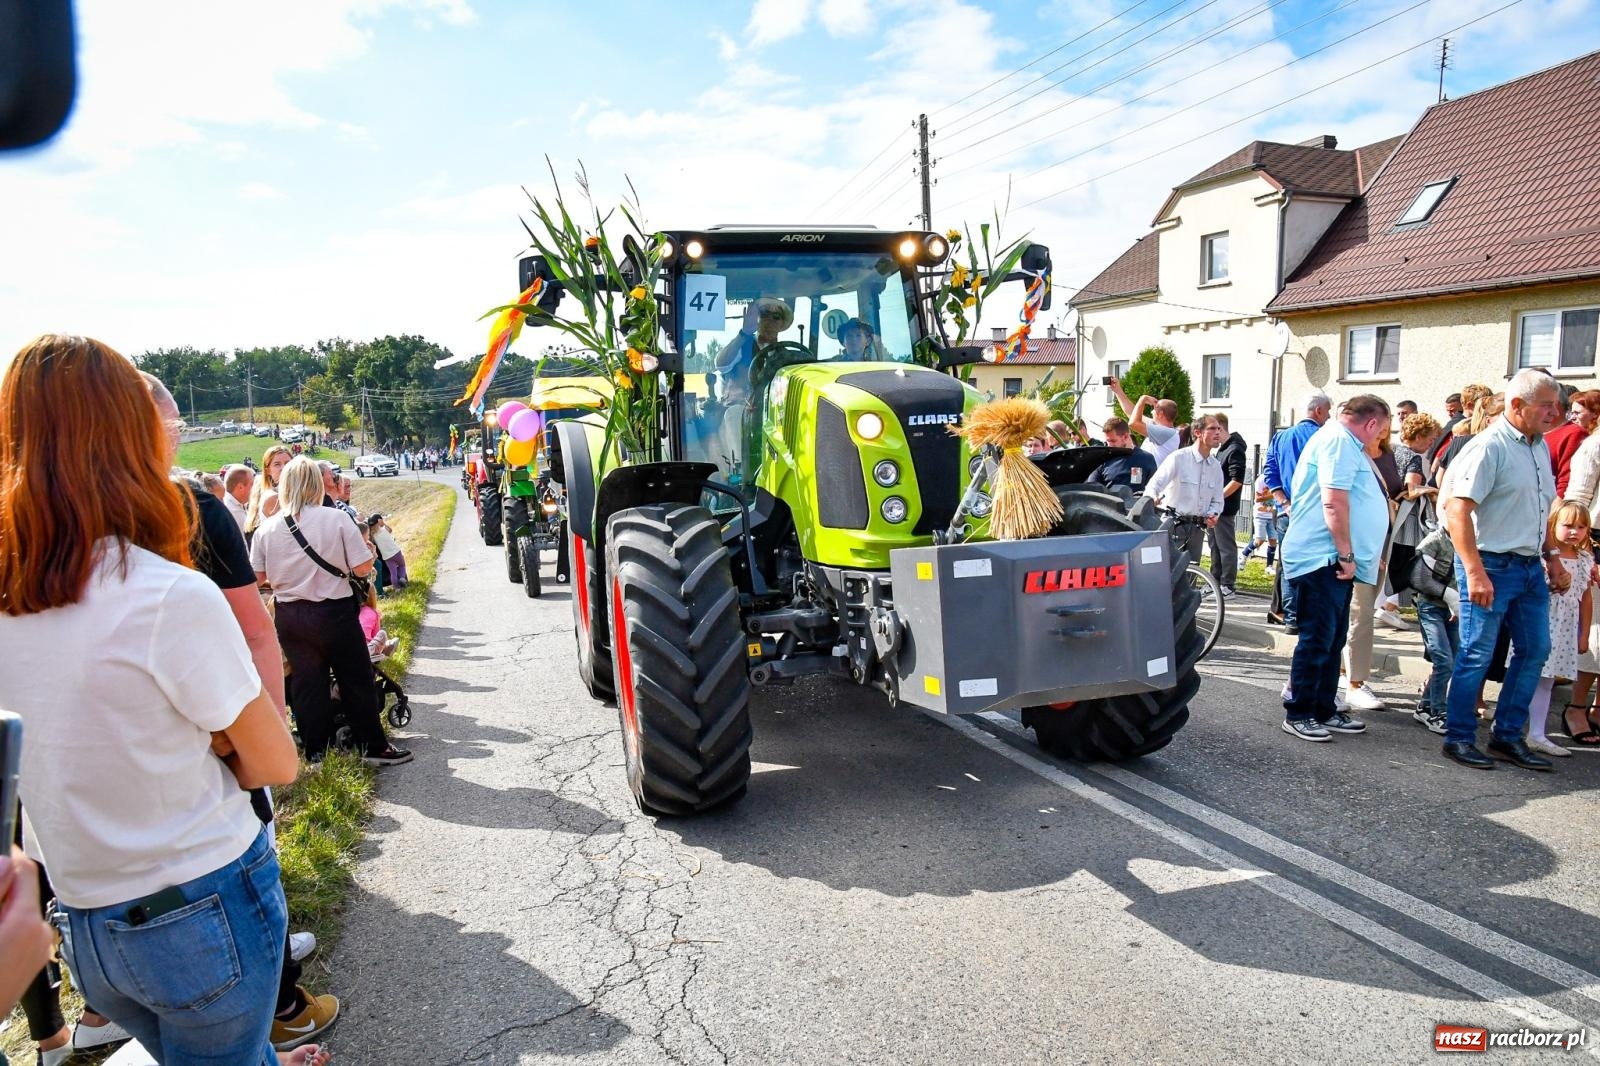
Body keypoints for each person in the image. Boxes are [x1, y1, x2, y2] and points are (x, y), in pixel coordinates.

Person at [0, 334, 300, 1063]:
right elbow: (274, 762)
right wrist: (218, 740)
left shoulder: (11, 598)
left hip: (86, 924)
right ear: (133, 438)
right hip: (197, 907)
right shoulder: (164, 595)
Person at [1439, 368, 1564, 771]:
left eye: (1555, 404)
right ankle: (1458, 738)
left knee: (1535, 650)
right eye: (1546, 405)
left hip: (1528, 567)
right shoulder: (1489, 447)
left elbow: (1542, 507)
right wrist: (1474, 572)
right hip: (1491, 563)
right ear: (1516, 405)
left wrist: (1552, 555)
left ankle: (1506, 737)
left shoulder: (1538, 445)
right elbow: (1457, 511)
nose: (1555, 412)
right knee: (1477, 653)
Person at [251, 456, 411, 766]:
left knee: (307, 684)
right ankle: (372, 746)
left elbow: (257, 578)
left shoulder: (266, 529)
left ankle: (316, 752)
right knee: (356, 678)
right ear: (316, 484)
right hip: (333, 612)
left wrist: (289, 578)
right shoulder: (336, 519)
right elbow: (363, 568)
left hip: (290, 614)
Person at [1278, 395, 1393, 742]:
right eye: (1382, 430)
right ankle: (1299, 712)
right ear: (1371, 423)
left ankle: (1323, 708)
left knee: (1332, 639)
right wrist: (1345, 553)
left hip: (1332, 557)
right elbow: (1334, 500)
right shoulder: (1340, 442)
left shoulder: (1340, 441)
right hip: (1322, 557)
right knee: (1317, 639)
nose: (1380, 438)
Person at [1523, 501, 1592, 757]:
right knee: (1525, 675)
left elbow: (1585, 598)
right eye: (1568, 525)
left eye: (1581, 527)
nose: (1575, 531)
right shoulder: (1541, 557)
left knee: (1547, 681)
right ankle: (1507, 725)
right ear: (1553, 525)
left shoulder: (1585, 559)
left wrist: (1583, 634)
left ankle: (1537, 733)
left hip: (1564, 628)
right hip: (1540, 620)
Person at [1263, 391, 1334, 630]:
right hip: (1315, 513)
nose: (1329, 416)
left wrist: (1283, 503)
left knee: (1289, 562)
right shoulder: (1325, 437)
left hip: (1286, 511)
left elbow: (1270, 473)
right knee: (1317, 565)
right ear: (1319, 411)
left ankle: (1292, 619)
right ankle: (1310, 618)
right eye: (1328, 411)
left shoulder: (1281, 438)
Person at [1142, 415, 1225, 567]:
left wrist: (1214, 513)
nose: (1218, 432)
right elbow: (1155, 483)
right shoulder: (1179, 458)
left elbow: (1218, 500)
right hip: (1174, 525)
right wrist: (1152, 498)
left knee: (1191, 577)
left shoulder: (1215, 466)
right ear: (1198, 433)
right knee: (1169, 574)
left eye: (1219, 428)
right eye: (1212, 428)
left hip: (1197, 529)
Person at [1409, 519, 1460, 736]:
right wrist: (1450, 597)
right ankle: (1438, 712)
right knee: (1444, 660)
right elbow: (1419, 577)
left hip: (1454, 612)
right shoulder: (1434, 541)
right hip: (1430, 607)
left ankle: (1425, 706)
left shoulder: (1469, 540)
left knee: (1451, 661)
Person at [715, 297, 793, 405]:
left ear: (782, 324)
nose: (770, 321)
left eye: (776, 317)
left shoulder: (787, 357)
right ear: (757, 319)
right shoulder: (742, 344)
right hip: (738, 410)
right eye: (765, 315)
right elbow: (721, 365)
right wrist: (744, 333)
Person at [1211, 413, 1247, 596]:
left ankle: (1228, 585)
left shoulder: (1234, 449)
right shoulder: (1222, 448)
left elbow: (1236, 480)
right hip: (1215, 506)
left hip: (1224, 507)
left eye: (1213, 429)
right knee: (1214, 546)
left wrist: (1218, 498)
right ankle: (1215, 582)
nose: (1211, 434)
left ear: (1220, 428)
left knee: (1225, 547)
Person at [1108, 378, 1180, 463]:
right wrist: (1117, 390)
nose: (1152, 411)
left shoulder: (1167, 433)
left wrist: (1143, 399)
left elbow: (1133, 423)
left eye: (1154, 408)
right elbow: (1131, 413)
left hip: (1153, 476)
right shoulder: (1158, 427)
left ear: (1160, 413)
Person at [1544, 388, 1600, 495]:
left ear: (1595, 413)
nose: (1572, 418)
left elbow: (1578, 487)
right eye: (1571, 413)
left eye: (1577, 413)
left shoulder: (1589, 440)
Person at [1086, 417, 1158, 495]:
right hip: (1108, 505)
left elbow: (1155, 488)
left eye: (1113, 441)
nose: (1109, 445)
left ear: (1125, 437)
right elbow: (1092, 488)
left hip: (1137, 505)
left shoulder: (1147, 459)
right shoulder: (1103, 460)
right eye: (1107, 441)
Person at [246, 445, 293, 545]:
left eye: (287, 463)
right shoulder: (273, 497)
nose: (283, 468)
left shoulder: (287, 494)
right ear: (268, 470)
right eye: (277, 464)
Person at [1240, 474, 1277, 569]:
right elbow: (1257, 499)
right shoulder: (1261, 480)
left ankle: (1269, 566)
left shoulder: (1277, 478)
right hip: (1260, 514)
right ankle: (1244, 555)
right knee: (1259, 540)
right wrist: (1273, 494)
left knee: (1273, 539)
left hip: (1272, 514)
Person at [223, 463, 254, 532]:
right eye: (252, 484)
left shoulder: (238, 503)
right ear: (240, 487)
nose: (254, 488)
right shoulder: (232, 513)